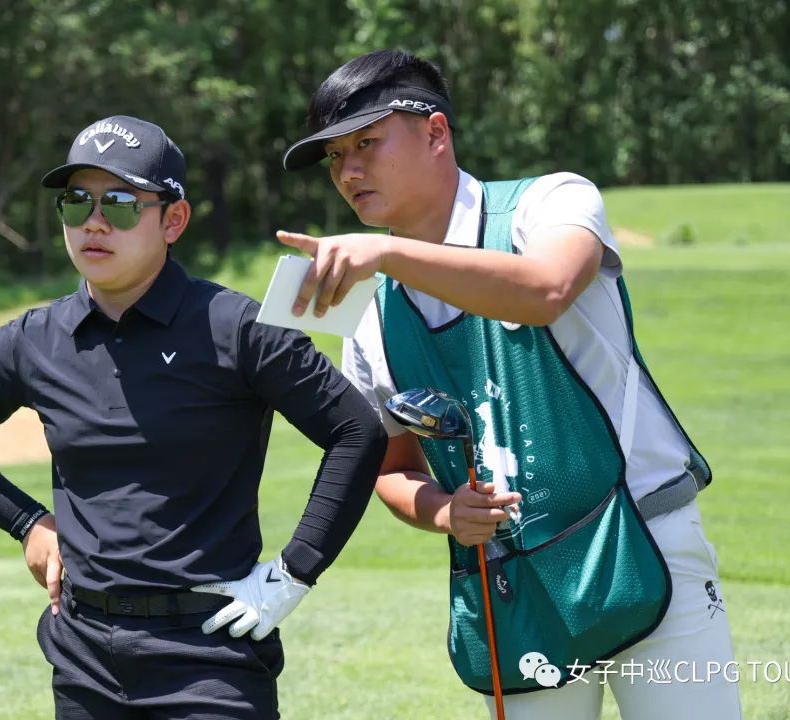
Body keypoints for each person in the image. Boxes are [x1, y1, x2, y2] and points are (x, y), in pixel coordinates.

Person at [277, 50, 742, 720]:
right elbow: (389, 464)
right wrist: (442, 510)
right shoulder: (369, 308)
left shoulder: (551, 201)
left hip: (646, 537)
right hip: (516, 582)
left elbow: (548, 289)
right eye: (335, 157)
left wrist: (385, 253)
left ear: (436, 133)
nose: (348, 172)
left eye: (367, 144)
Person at [0, 114, 387, 719]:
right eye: (76, 202)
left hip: (213, 658)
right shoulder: (35, 338)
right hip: (83, 657)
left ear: (173, 220)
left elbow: (356, 430)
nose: (94, 222)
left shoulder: (238, 327)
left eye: (122, 203)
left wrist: (293, 574)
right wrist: (28, 522)